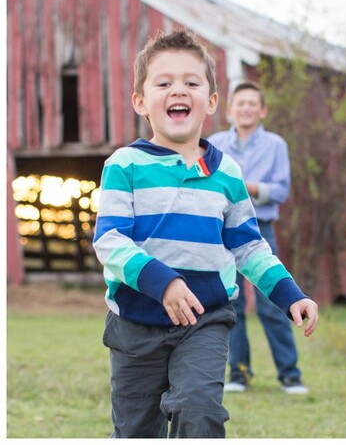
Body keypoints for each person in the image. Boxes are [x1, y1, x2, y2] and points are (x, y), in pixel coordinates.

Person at [93, 28, 318, 438]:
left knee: (200, 410)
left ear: (211, 102)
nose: (178, 90)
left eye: (191, 83)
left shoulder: (227, 172)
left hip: (204, 321)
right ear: (141, 102)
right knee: (136, 431)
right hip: (135, 324)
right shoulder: (123, 165)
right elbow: (110, 241)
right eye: (164, 83)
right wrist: (163, 283)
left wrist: (291, 294)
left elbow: (249, 247)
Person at [208, 81, 307, 394]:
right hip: (222, 230)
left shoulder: (276, 145)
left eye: (253, 104)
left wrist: (248, 188)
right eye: (241, 103)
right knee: (230, 304)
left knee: (271, 302)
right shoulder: (214, 143)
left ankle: (290, 375)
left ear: (262, 111)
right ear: (229, 110)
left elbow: (280, 189)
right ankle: (238, 373)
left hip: (260, 228)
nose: (246, 109)